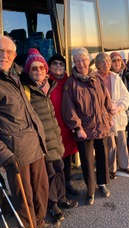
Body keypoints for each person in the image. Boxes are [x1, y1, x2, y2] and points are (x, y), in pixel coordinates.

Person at [0, 36, 59, 228]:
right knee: (24, 199)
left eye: (9, 52)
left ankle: (38, 224)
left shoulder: (14, 73)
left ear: (15, 56)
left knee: (41, 190)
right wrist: (4, 155)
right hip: (16, 152)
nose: (5, 55)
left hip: (34, 144)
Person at [21, 48, 78, 223]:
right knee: (49, 176)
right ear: (28, 71)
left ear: (46, 70)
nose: (38, 71)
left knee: (59, 170)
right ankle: (52, 206)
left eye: (41, 68)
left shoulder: (48, 86)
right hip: (42, 142)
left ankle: (62, 199)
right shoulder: (26, 90)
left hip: (55, 139)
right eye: (34, 68)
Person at [61, 47, 113, 206]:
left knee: (102, 157)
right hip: (84, 129)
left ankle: (102, 184)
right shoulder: (71, 82)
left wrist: (109, 116)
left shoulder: (96, 78)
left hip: (101, 125)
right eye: (77, 61)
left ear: (88, 61)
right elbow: (68, 108)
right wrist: (77, 128)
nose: (81, 63)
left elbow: (106, 99)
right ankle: (90, 190)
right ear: (74, 63)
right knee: (87, 160)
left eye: (83, 60)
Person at [94, 52, 129, 179]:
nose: (106, 64)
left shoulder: (115, 77)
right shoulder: (94, 78)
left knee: (122, 141)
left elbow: (126, 96)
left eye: (107, 61)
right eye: (102, 62)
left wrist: (120, 107)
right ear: (97, 65)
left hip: (118, 114)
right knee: (110, 144)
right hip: (104, 116)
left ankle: (125, 165)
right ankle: (112, 168)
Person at [47, 53, 80, 196]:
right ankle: (58, 189)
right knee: (56, 158)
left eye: (61, 64)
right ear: (49, 66)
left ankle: (68, 183)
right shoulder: (45, 81)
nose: (58, 66)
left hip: (66, 125)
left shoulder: (68, 80)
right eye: (55, 63)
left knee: (66, 156)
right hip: (53, 126)